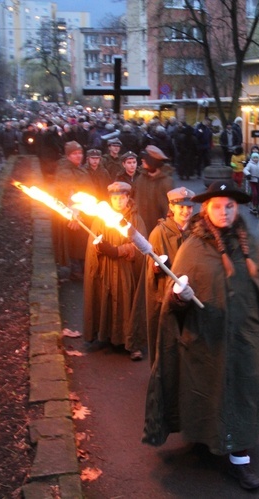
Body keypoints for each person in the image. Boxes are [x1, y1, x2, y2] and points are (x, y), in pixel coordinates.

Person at [143, 180, 259, 491]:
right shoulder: (192, 247)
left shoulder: (248, 242)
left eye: (230, 205)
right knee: (212, 391)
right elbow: (172, 304)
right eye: (217, 205)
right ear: (206, 209)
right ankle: (211, 437)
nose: (224, 211)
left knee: (242, 392)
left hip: (246, 337)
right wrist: (179, 296)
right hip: (208, 340)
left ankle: (239, 460)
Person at [82, 182, 148, 360]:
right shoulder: (100, 218)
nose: (118, 201)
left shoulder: (135, 219)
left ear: (128, 198)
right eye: (115, 198)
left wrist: (120, 250)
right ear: (110, 199)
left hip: (126, 271)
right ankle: (106, 335)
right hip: (106, 268)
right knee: (106, 300)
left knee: (128, 303)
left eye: (122, 197)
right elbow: (92, 244)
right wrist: (99, 247)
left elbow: (142, 247)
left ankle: (131, 343)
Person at [144, 187, 195, 365]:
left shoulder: (197, 232)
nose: (185, 211)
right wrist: (157, 267)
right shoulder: (159, 233)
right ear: (171, 208)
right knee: (167, 340)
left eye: (189, 207)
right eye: (180, 207)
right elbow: (150, 269)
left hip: (191, 293)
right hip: (166, 295)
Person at [53, 141, 92, 280]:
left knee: (82, 241)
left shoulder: (79, 169)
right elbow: (69, 194)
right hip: (74, 215)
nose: (79, 156)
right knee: (75, 241)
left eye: (80, 153)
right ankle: (76, 270)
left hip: (84, 212)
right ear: (68, 155)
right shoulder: (65, 171)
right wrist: (75, 215)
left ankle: (81, 267)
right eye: (75, 154)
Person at [135, 145, 175, 233]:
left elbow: (169, 209)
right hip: (140, 228)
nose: (142, 160)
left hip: (159, 231)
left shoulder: (166, 182)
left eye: (146, 158)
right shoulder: (140, 178)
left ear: (153, 162)